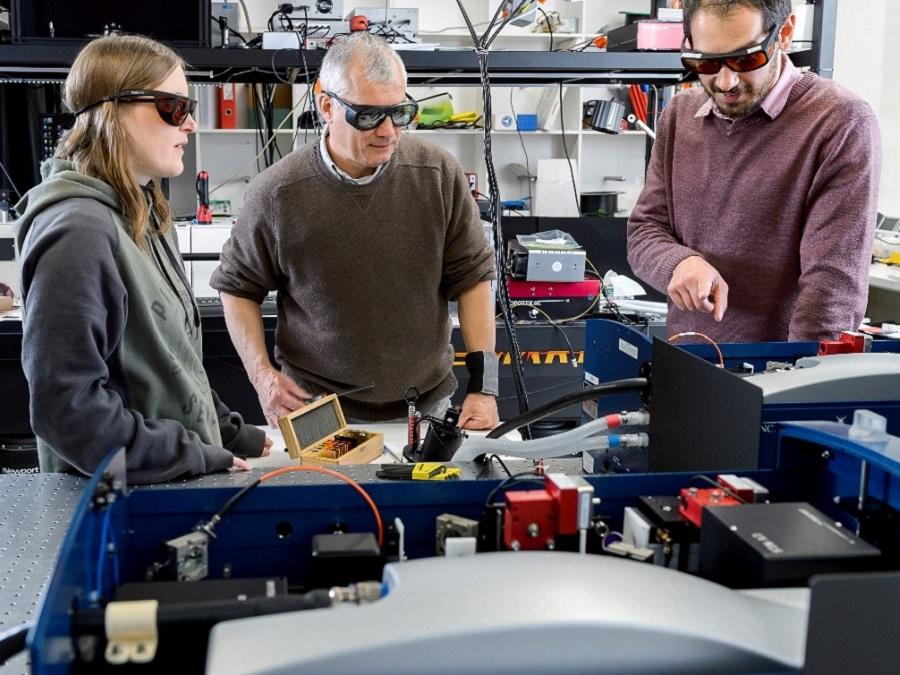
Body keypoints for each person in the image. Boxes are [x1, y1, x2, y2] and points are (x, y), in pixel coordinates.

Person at [211, 32, 500, 428]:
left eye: (399, 113)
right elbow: (237, 288)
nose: (387, 132)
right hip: (316, 409)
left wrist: (485, 389)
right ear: (327, 106)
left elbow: (473, 279)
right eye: (367, 116)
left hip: (425, 404)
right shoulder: (278, 192)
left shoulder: (437, 174)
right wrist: (262, 377)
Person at [15, 35, 269, 483]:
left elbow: (169, 361)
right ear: (112, 111)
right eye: (173, 108)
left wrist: (228, 433)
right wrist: (192, 453)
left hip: (167, 489)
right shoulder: (78, 231)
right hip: (122, 511)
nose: (190, 125)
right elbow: (68, 414)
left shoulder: (145, 212)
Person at [627, 0, 881, 342]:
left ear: (785, 33)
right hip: (686, 362)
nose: (726, 82)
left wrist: (799, 383)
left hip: (777, 377)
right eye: (706, 62)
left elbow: (832, 288)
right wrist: (680, 262)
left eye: (746, 59)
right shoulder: (679, 115)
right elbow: (645, 230)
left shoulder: (839, 121)